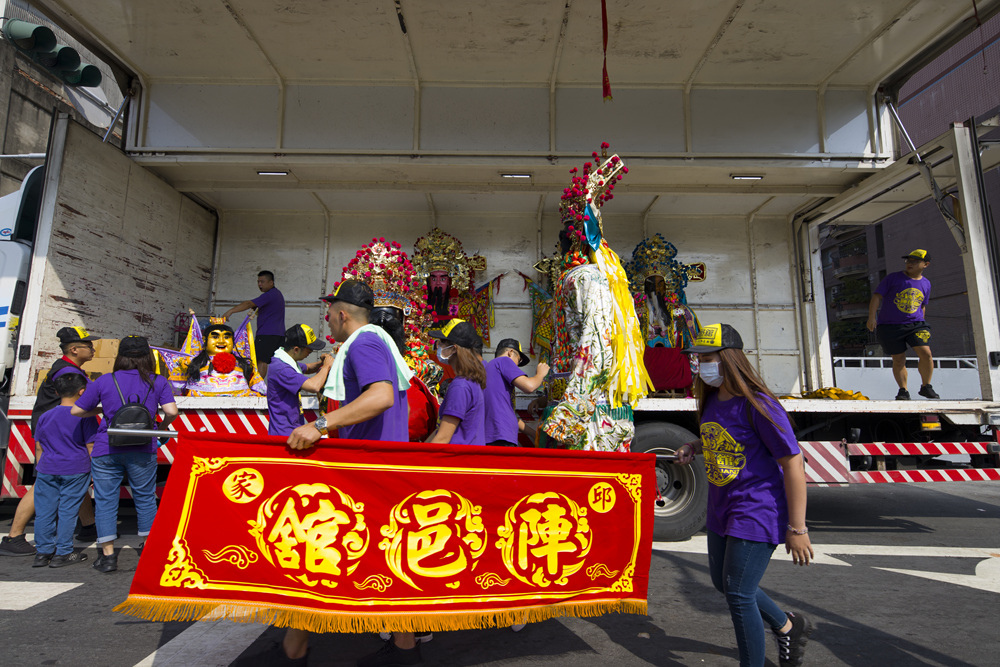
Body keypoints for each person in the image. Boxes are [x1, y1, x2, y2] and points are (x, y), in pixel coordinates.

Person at [240, 279, 414, 667]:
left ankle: (295, 648)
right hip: (372, 467)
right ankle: (403, 648)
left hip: (369, 470)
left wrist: (318, 425)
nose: (327, 322)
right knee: (380, 562)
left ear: (341, 313)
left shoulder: (366, 342)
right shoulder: (374, 341)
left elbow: (381, 396)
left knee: (318, 555)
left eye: (329, 314)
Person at [676, 323, 813, 667]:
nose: (700, 367)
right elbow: (724, 440)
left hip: (756, 507)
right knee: (726, 585)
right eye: (698, 360)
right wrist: (694, 446)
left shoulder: (758, 404)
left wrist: (797, 529)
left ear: (729, 360)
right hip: (721, 508)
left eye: (707, 359)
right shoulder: (711, 399)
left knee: (738, 593)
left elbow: (794, 463)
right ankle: (787, 626)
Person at [71, 336, 178, 574]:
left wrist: (103, 410)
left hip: (106, 448)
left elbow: (77, 410)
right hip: (143, 448)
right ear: (148, 356)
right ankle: (149, 551)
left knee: (106, 500)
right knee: (145, 498)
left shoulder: (104, 381)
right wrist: (159, 428)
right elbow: (172, 411)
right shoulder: (158, 381)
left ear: (120, 356)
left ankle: (108, 556)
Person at [1, 327, 97, 557]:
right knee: (44, 484)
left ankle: (88, 526)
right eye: (88, 345)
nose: (93, 349)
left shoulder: (65, 368)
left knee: (74, 477)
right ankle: (14, 535)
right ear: (74, 349)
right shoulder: (67, 374)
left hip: (53, 430)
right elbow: (90, 397)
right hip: (56, 432)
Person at [30, 373, 98, 568]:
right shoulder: (85, 416)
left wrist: (41, 466)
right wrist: (95, 472)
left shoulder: (45, 416)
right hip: (75, 468)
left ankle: (42, 553)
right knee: (68, 510)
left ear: (57, 392)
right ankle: (64, 552)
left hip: (47, 468)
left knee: (44, 511)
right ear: (82, 392)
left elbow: (39, 447)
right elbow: (91, 447)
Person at [866, 249, 938, 400]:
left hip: (916, 324)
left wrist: (921, 321)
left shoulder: (926, 283)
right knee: (898, 359)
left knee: (926, 353)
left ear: (926, 264)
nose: (910, 263)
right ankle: (903, 390)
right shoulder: (893, 278)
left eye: (915, 261)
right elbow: (877, 296)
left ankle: (926, 386)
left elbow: (922, 305)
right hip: (890, 326)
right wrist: (872, 317)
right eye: (908, 261)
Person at [427, 319, 486, 446]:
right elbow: (439, 431)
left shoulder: (460, 386)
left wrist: (419, 461)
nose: (438, 346)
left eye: (442, 342)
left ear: (454, 349)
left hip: (456, 461)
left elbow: (443, 438)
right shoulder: (469, 381)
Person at [266, 324, 332, 436]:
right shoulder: (282, 369)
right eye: (309, 350)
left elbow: (307, 367)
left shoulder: (287, 361)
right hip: (284, 433)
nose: (311, 352)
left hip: (292, 428)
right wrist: (326, 366)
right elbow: (314, 386)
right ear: (296, 349)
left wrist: (321, 362)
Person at [220, 270, 286, 378]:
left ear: (271, 283)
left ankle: (258, 387)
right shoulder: (276, 295)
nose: (260, 284)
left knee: (261, 360)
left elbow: (248, 303)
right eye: (258, 282)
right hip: (277, 334)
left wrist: (230, 311)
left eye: (262, 281)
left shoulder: (269, 295)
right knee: (274, 362)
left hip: (267, 334)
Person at [484, 338, 549, 446]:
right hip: (501, 437)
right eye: (518, 360)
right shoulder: (504, 361)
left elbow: (508, 414)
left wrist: (534, 434)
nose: (517, 366)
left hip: (494, 435)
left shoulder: (490, 368)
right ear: (510, 353)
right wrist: (540, 374)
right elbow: (529, 386)